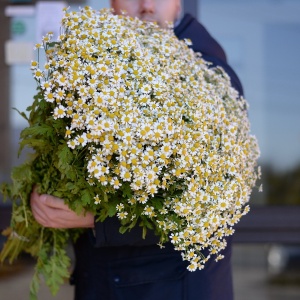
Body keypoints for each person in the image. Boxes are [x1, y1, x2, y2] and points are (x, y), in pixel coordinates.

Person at [30, 0, 244, 299]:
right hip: (108, 281)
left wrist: (94, 219)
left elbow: (213, 204)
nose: (145, 6)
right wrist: (45, 194)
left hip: (171, 288)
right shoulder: (99, 57)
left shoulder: (208, 73)